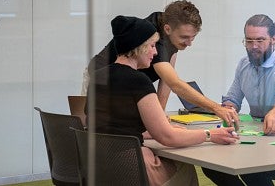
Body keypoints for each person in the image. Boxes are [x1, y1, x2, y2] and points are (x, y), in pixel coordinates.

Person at [87, 15, 240, 186]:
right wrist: (210, 134)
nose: (155, 52)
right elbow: (167, 138)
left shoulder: (98, 77)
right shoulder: (138, 81)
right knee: (186, 166)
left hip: (100, 167)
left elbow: (111, 128)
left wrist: (154, 129)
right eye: (152, 46)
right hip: (132, 168)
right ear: (139, 47)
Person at [85, 0, 239, 126]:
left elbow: (167, 81)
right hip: (101, 77)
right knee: (111, 133)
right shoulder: (155, 37)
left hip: (125, 84)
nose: (189, 43)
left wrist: (160, 118)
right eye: (185, 37)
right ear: (167, 29)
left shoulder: (170, 27)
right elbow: (175, 83)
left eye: (192, 37)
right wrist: (216, 108)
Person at [202, 14, 275, 186]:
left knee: (249, 167)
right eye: (249, 41)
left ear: (273, 40)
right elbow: (233, 98)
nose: (253, 46)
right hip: (257, 138)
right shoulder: (244, 65)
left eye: (260, 40)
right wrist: (227, 108)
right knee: (211, 165)